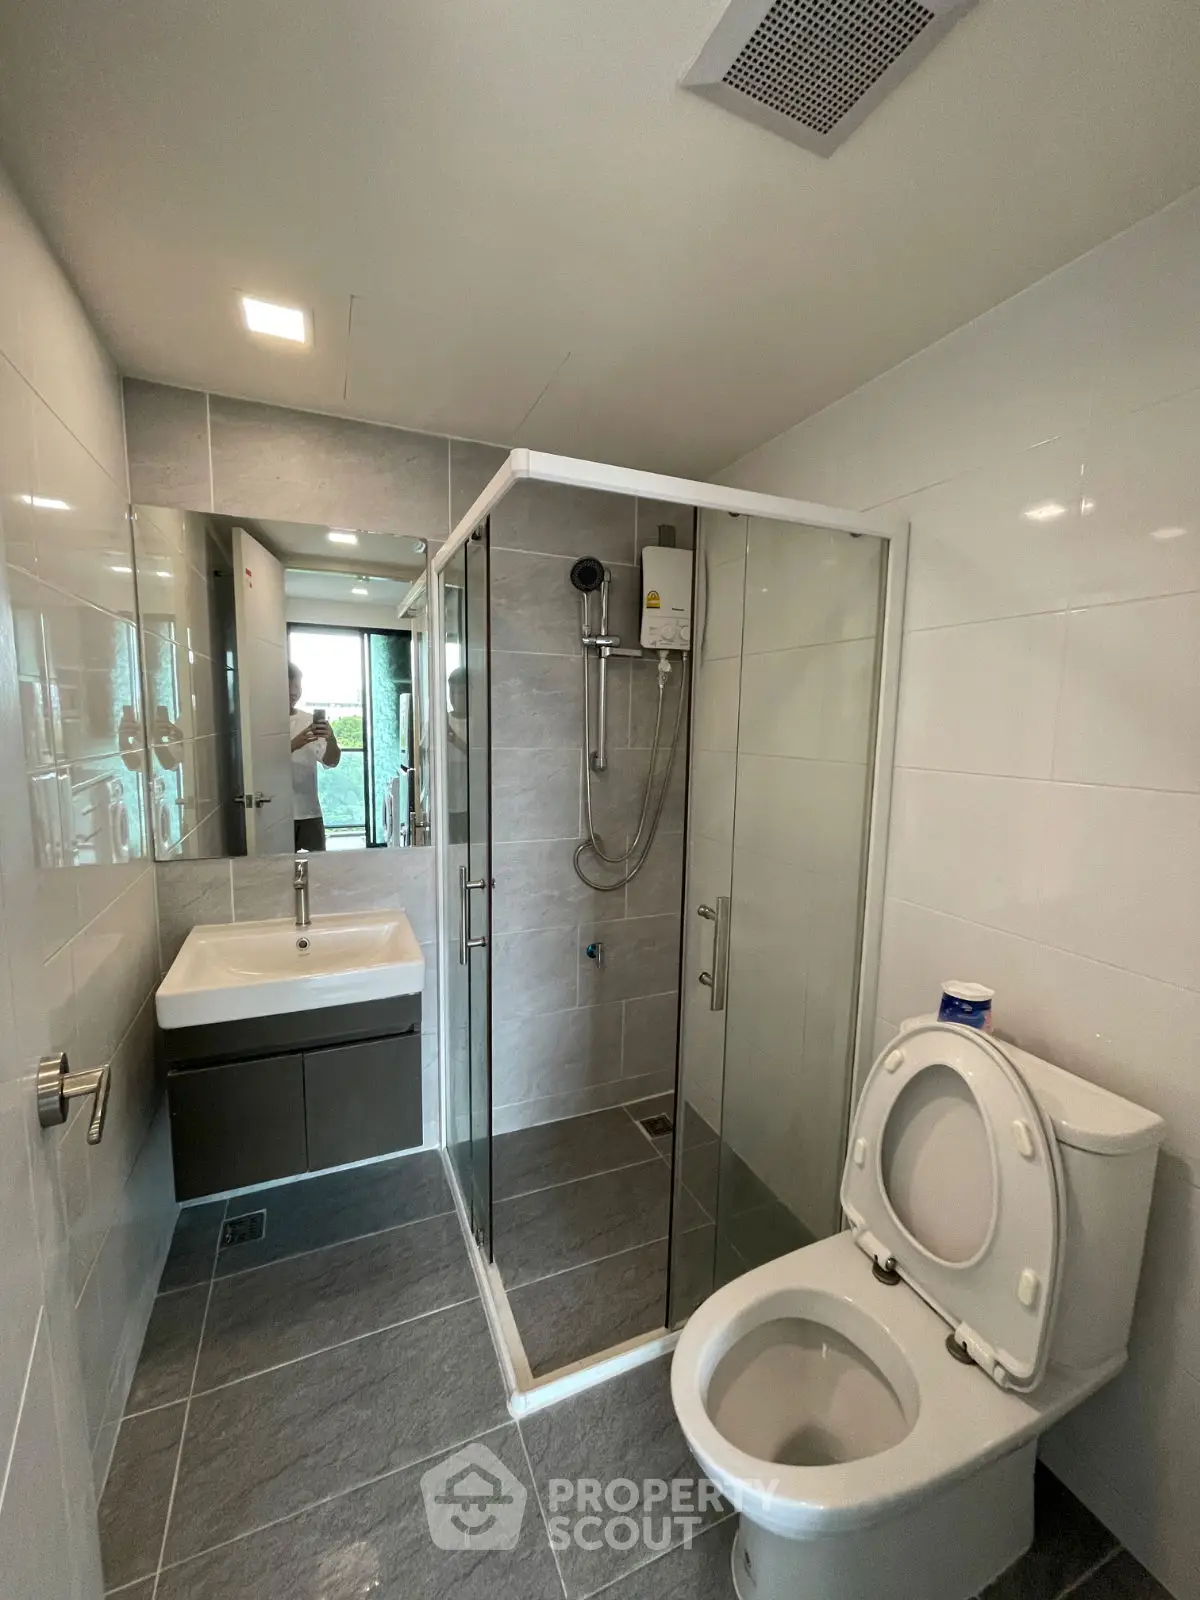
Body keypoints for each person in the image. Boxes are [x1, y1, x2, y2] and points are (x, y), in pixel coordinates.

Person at [289, 662, 340, 851]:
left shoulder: (309, 720)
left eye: (298, 687)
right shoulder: (263, 722)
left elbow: (332, 761)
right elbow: (262, 762)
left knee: (320, 871)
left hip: (310, 812)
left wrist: (332, 737)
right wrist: (295, 743)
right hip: (275, 816)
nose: (294, 692)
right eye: (289, 686)